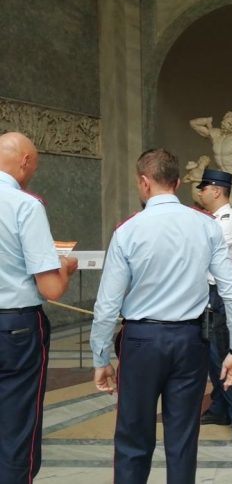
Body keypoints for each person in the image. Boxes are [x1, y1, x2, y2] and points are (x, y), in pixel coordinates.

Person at [90, 148, 232, 484]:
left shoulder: (128, 230)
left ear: (144, 182)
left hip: (141, 341)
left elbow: (107, 304)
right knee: (183, 440)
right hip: (190, 340)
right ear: (176, 183)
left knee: (132, 438)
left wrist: (100, 356)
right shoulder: (207, 226)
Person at [0, 132, 78, 484]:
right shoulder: (25, 205)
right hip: (16, 327)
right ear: (26, 162)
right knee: (18, 428)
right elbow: (51, 289)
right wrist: (66, 268)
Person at [196, 169, 232, 445]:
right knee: (210, 357)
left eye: (204, 188)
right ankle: (219, 408)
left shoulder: (228, 222)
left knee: (223, 357)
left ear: (216, 190)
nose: (200, 192)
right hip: (207, 293)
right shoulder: (214, 219)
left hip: (220, 295)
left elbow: (201, 253)